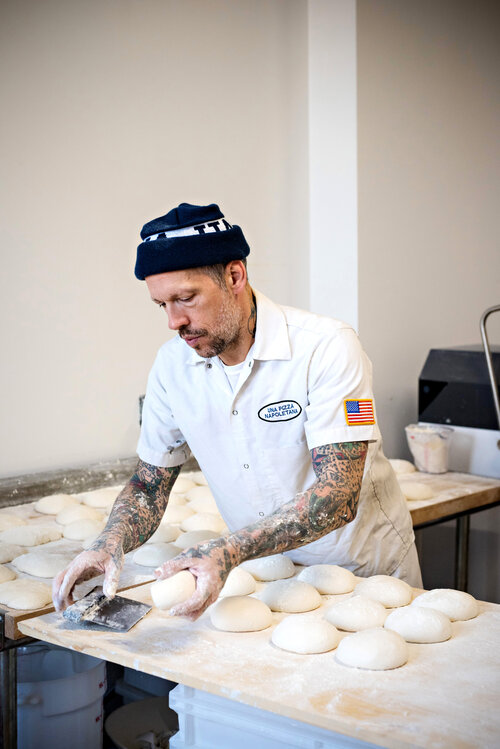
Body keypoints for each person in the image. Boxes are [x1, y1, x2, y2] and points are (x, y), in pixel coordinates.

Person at [53, 202, 422, 618]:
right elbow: (149, 483)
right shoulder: (173, 367)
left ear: (234, 275)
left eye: (186, 298)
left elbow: (339, 495)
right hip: (262, 574)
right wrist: (109, 542)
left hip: (360, 573)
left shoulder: (327, 347)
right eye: (163, 305)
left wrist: (231, 548)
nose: (174, 321)